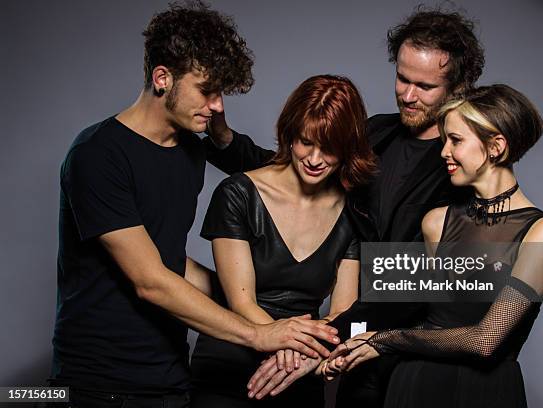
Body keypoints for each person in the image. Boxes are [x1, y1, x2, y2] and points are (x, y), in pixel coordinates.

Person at [49, 3, 339, 407]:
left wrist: (257, 298)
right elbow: (150, 280)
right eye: (207, 90)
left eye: (221, 93)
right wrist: (259, 332)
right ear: (163, 78)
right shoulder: (98, 154)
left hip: (170, 374)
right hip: (97, 381)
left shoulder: (188, 149)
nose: (218, 104)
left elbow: (279, 172)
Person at [230, 7, 486, 406]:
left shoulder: (461, 166)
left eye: (424, 86)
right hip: (351, 342)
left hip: (409, 346)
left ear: (457, 87)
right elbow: (297, 168)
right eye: (402, 78)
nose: (407, 94)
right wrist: (225, 142)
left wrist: (313, 346)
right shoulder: (375, 133)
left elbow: (421, 281)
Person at [323, 84, 543, 407]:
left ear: (495, 146)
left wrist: (385, 340)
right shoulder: (435, 223)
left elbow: (485, 340)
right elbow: (406, 307)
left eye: (456, 140)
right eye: (444, 141)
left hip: (483, 392)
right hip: (413, 383)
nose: (443, 152)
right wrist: (341, 343)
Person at [189, 75, 377, 407]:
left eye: (329, 147)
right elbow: (242, 303)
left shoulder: (353, 213)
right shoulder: (237, 193)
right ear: (290, 135)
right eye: (306, 142)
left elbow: (342, 313)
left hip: (301, 371)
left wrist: (298, 351)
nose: (315, 158)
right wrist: (290, 341)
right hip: (230, 366)